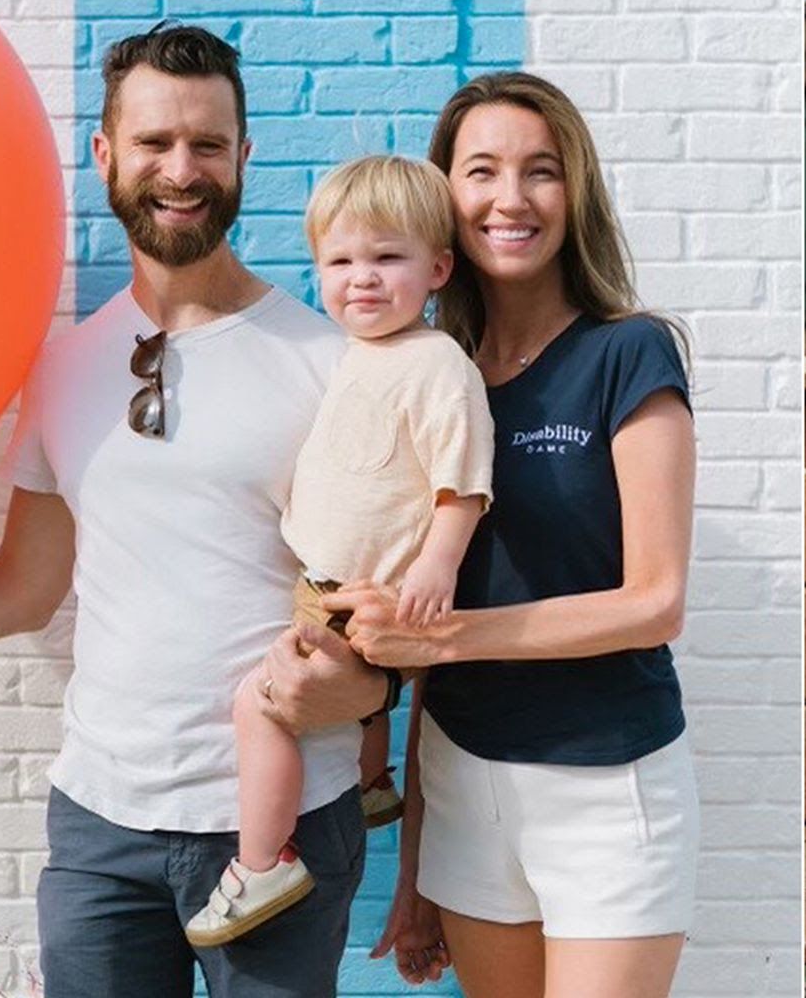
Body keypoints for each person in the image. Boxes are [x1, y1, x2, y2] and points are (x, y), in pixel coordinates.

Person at [0, 25, 390, 996]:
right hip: (102, 831)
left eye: (208, 145)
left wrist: (358, 690)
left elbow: (382, 631)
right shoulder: (64, 365)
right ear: (106, 155)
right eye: (154, 143)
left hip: (279, 830)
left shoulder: (330, 367)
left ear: (244, 159)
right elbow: (22, 587)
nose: (181, 171)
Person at [319, 72, 699, 998]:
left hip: (607, 783)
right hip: (463, 784)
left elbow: (655, 604)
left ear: (577, 191)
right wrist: (414, 863)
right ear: (444, 196)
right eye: (481, 171)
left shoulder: (628, 352)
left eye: (541, 171)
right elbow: (417, 647)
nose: (510, 199)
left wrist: (442, 637)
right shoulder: (422, 372)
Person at [185, 156, 494, 947]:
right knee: (338, 709)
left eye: (387, 258)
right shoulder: (350, 355)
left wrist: (437, 563)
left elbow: (462, 478)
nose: (363, 279)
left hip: (367, 596)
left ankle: (261, 863)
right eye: (341, 261)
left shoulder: (437, 365)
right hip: (322, 578)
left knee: (261, 706)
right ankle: (370, 782)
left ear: (438, 268)